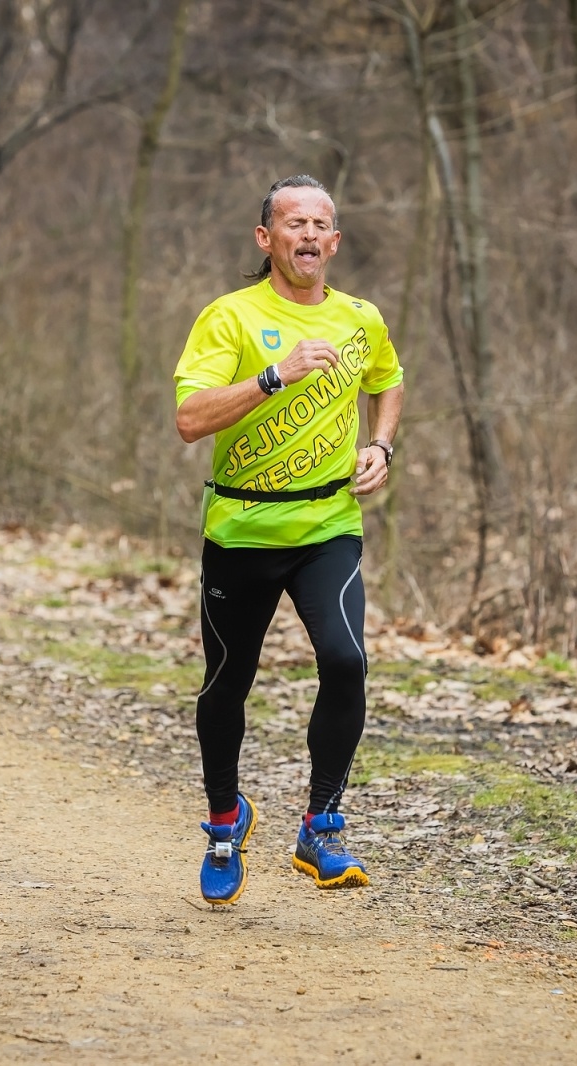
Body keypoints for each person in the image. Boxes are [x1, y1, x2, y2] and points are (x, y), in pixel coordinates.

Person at [173, 174, 405, 905]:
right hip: (240, 529)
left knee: (346, 660)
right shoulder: (230, 318)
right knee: (225, 683)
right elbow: (189, 419)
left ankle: (321, 823)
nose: (308, 234)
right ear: (265, 238)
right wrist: (274, 376)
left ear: (335, 241)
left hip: (326, 525)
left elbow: (388, 381)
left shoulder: (361, 318)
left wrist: (384, 446)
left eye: (320, 223)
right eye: (292, 222)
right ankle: (223, 820)